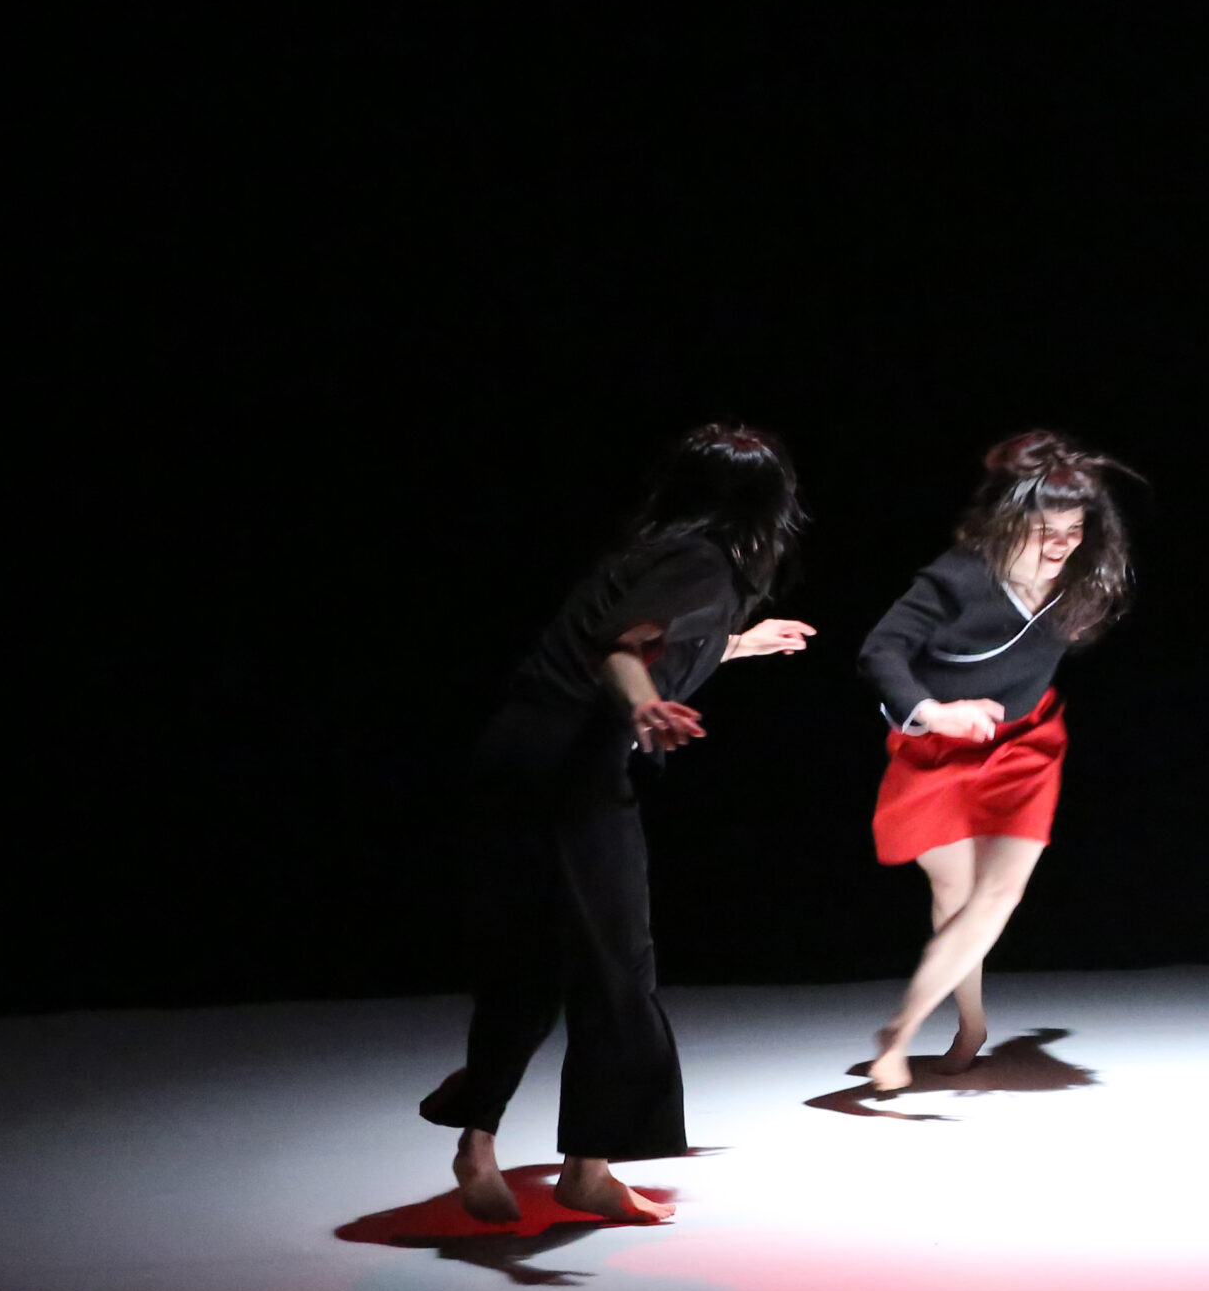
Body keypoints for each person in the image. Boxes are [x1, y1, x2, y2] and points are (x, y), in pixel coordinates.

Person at [420, 424, 814, 1224]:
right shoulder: (702, 561)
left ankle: (479, 1141)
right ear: (765, 506)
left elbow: (649, 640)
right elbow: (621, 650)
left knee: (531, 959)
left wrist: (739, 644)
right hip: (572, 770)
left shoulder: (652, 553)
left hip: (514, 756)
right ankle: (587, 1167)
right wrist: (642, 705)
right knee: (617, 967)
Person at [855, 432, 1136, 1096]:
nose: (1061, 544)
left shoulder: (1081, 582)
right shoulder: (959, 577)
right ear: (1007, 522)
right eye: (1044, 530)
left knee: (999, 894)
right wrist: (933, 711)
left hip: (1026, 746)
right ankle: (972, 1023)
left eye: (1074, 529)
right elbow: (880, 652)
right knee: (955, 894)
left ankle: (898, 1033)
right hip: (938, 748)